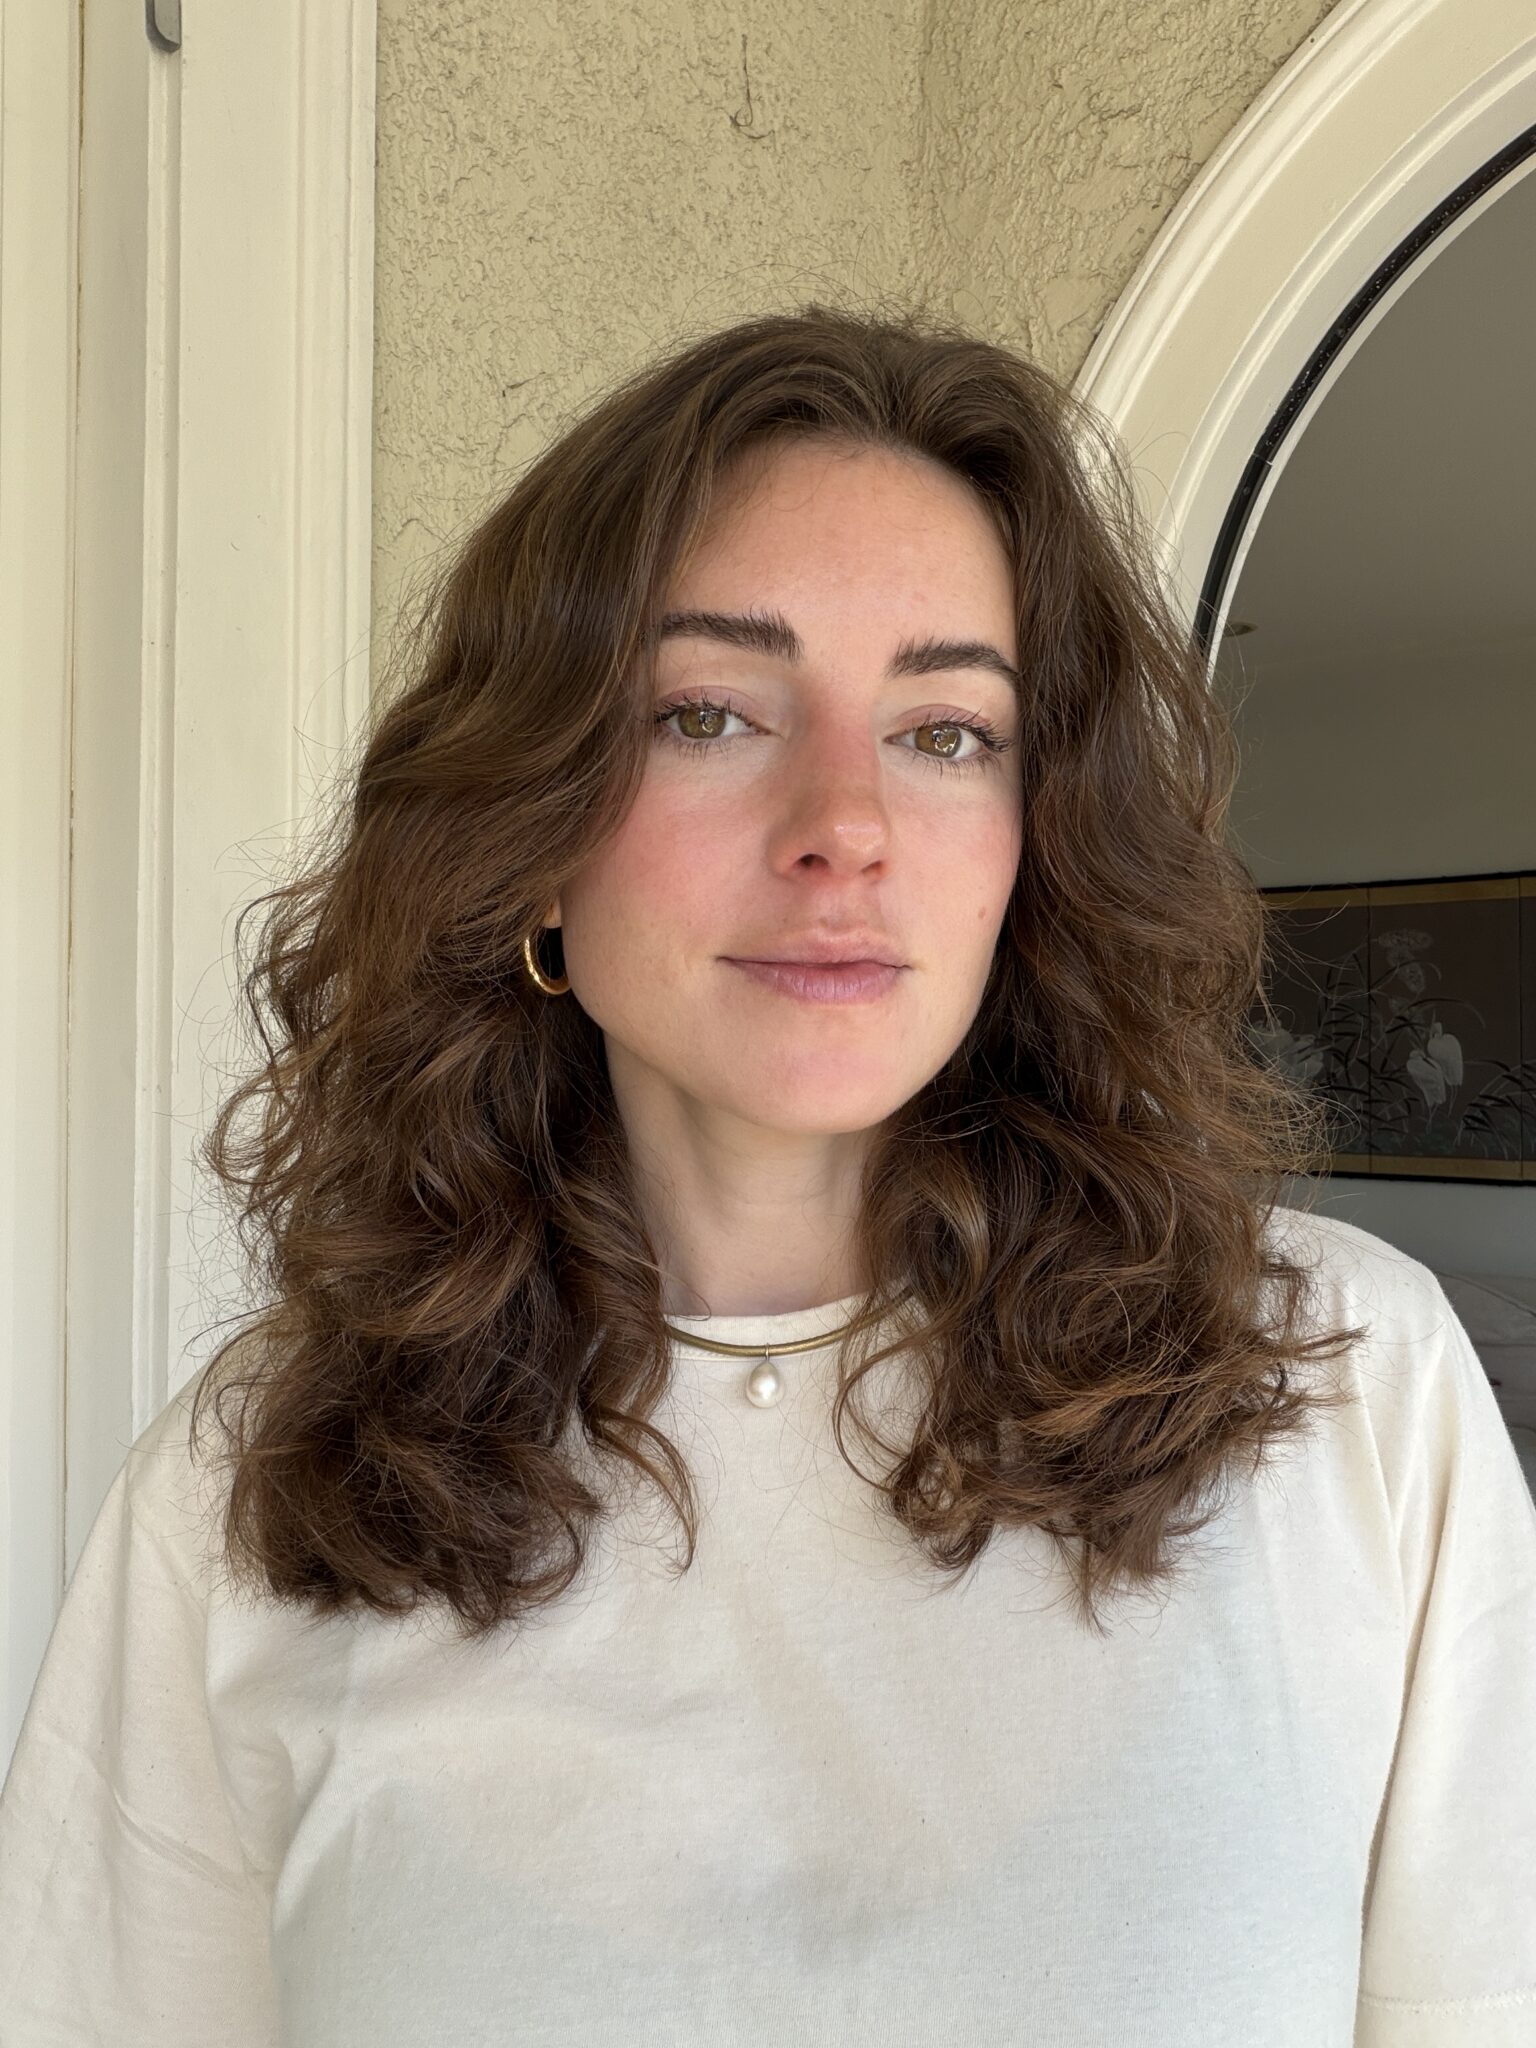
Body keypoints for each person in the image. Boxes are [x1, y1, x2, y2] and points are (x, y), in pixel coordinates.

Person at [2, 302, 1533, 2047]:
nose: (844, 822)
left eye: (947, 731)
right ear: (532, 839)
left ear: (1033, 855)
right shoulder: (254, 1488)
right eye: (713, 712)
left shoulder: (1349, 1394)